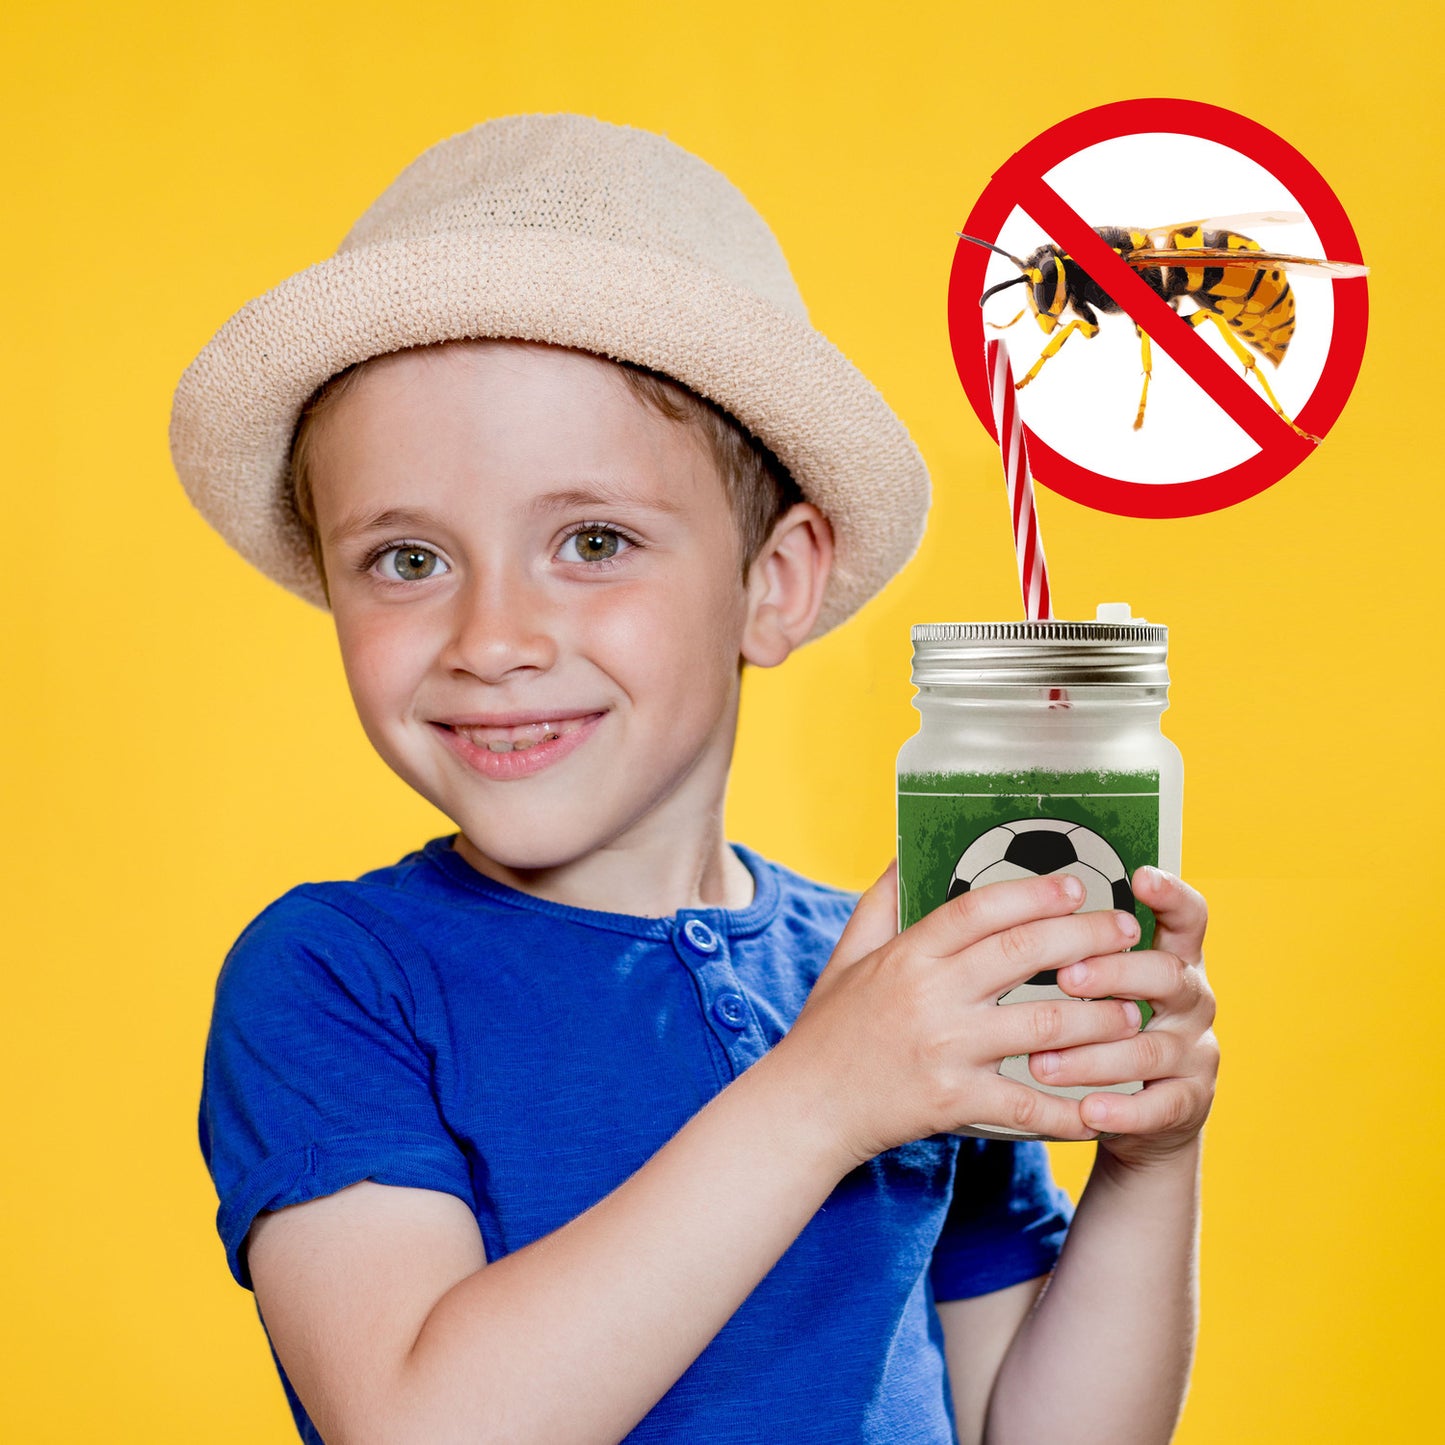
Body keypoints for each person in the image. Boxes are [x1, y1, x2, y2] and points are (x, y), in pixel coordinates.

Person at [174, 114, 1218, 1445]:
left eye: (592, 538)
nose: (492, 639)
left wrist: (1145, 1156)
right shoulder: (335, 975)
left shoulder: (885, 984)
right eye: (407, 559)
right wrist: (827, 1093)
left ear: (769, 584)